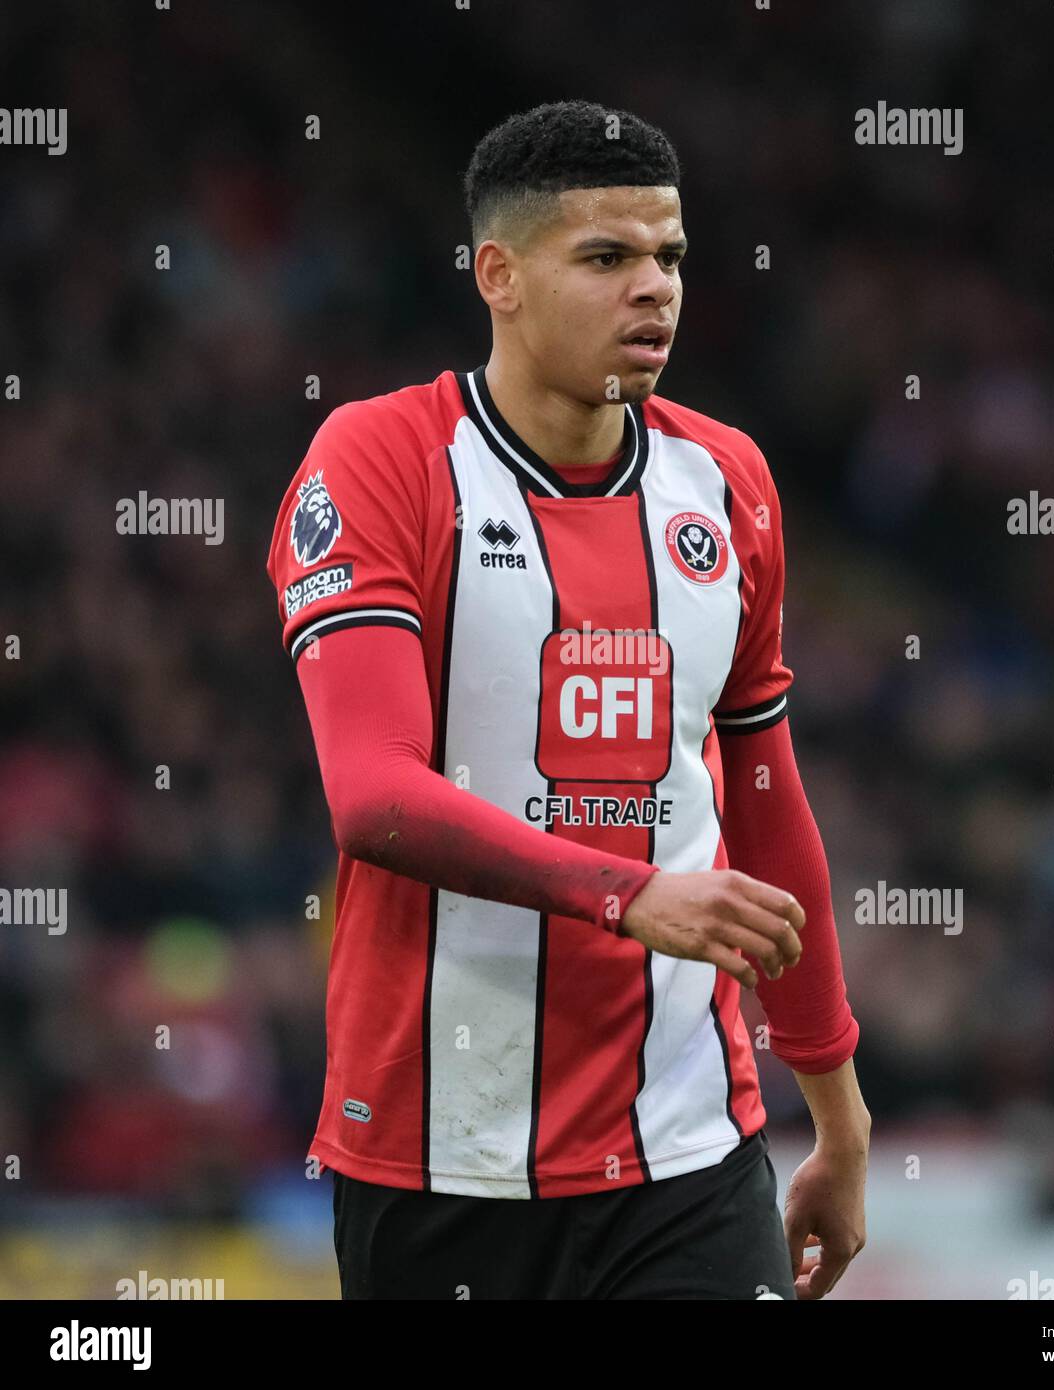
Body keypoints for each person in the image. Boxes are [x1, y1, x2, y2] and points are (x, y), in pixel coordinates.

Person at [266, 99, 869, 1300]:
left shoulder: (727, 480)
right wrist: (629, 892)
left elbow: (763, 798)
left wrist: (837, 1112)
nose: (655, 289)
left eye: (671, 257)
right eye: (607, 258)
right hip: (442, 1151)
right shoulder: (382, 460)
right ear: (501, 275)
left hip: (689, 1147)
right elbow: (373, 795)